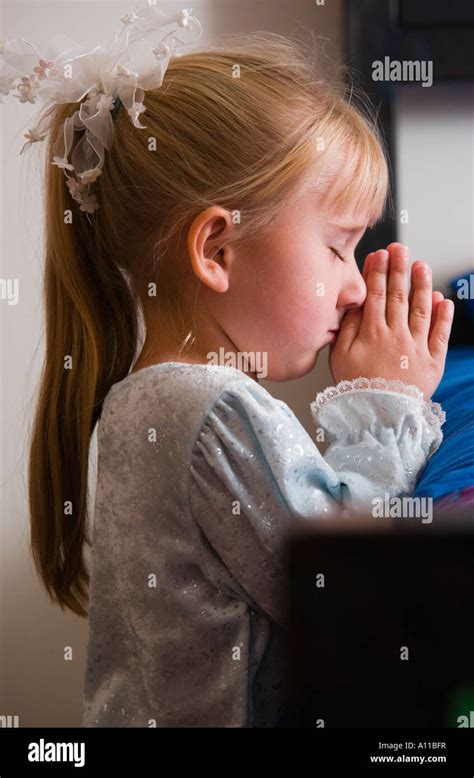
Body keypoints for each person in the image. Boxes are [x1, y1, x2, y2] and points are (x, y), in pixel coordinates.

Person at [22, 21, 453, 726]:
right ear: (217, 249)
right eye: (339, 248)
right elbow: (349, 594)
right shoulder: (210, 409)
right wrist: (389, 400)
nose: (353, 289)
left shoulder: (150, 401)